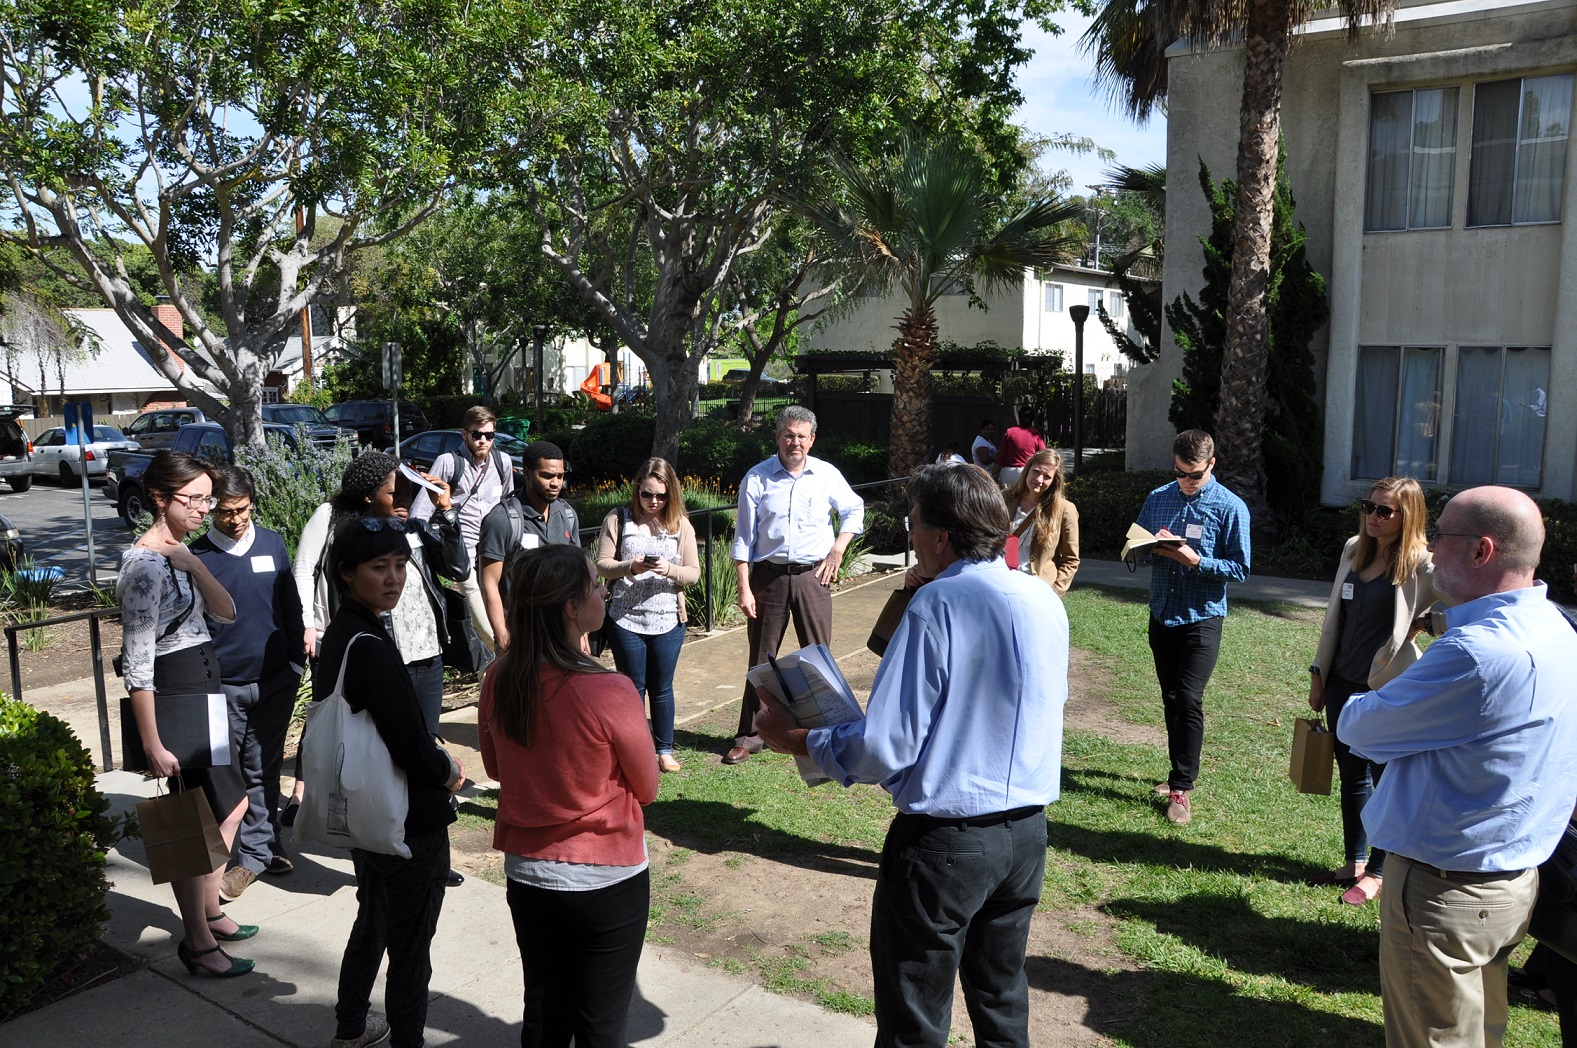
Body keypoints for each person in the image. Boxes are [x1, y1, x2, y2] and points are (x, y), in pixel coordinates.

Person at [756, 462, 1067, 1048]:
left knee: (914, 1020)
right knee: (1002, 1001)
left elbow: (884, 746)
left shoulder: (937, 605)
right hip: (1025, 834)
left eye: (914, 524)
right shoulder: (1042, 599)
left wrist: (796, 739)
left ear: (941, 535)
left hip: (945, 843)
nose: (910, 536)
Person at [1340, 485, 1577, 1048]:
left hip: (1444, 889)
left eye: (1441, 534)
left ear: (1482, 551)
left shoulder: (1476, 653)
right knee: (1477, 1031)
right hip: (1514, 879)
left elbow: (1358, 727)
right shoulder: (1556, 628)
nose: (1428, 547)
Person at [478, 545, 659, 1048]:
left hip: (528, 871)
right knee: (600, 1025)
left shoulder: (499, 677)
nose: (604, 589)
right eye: (594, 585)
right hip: (606, 875)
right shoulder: (610, 689)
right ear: (570, 607)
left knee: (544, 1012)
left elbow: (495, 767)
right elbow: (647, 787)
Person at [320, 516, 467, 1048]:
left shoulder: (345, 633)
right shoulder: (371, 645)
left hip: (368, 811)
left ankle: (350, 1028)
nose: (394, 578)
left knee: (373, 922)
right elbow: (410, 745)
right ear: (346, 573)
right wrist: (447, 770)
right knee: (409, 945)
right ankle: (406, 1037)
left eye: (401, 566)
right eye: (379, 567)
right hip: (406, 818)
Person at [117, 451, 252, 977]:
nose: (204, 508)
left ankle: (210, 910)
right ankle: (197, 940)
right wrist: (151, 743)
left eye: (206, 498)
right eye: (193, 499)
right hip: (175, 695)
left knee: (228, 802)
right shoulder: (143, 566)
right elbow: (138, 663)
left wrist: (195, 563)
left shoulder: (178, 555)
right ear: (159, 499)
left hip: (203, 687)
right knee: (193, 819)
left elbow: (227, 611)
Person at [1306, 477, 1442, 907]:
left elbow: (1465, 603)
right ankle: (1355, 860)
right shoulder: (1353, 548)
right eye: (1369, 506)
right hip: (1341, 681)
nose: (1373, 516)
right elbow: (1334, 620)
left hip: (1388, 689)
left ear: (1409, 516)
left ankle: (1380, 871)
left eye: (1385, 511)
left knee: (1388, 781)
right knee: (1352, 775)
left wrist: (1428, 624)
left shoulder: (1422, 563)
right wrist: (1319, 675)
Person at [191, 466, 307, 902]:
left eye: (241, 510)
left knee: (263, 768)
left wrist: (296, 663)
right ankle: (243, 852)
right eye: (224, 512)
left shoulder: (273, 543)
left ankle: (255, 855)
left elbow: (289, 607)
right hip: (223, 687)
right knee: (229, 774)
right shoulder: (197, 555)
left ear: (252, 503)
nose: (235, 520)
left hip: (276, 681)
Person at [727, 405, 863, 765]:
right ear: (777, 437)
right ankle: (750, 735)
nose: (795, 442)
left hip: (812, 577)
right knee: (760, 660)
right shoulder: (756, 478)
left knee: (819, 658)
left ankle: (827, 734)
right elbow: (743, 539)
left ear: (812, 439)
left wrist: (837, 550)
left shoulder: (826, 475)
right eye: (789, 435)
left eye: (802, 436)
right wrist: (744, 587)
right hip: (768, 578)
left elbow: (854, 509)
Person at [1135, 429, 1250, 826]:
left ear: (1211, 465)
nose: (1186, 480)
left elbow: (1240, 568)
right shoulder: (1158, 498)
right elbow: (1139, 544)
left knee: (1188, 697)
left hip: (1201, 617)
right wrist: (1149, 547)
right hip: (1162, 612)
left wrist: (1196, 561)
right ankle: (1175, 776)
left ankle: (1183, 787)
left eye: (1194, 474)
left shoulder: (1230, 507)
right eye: (1181, 472)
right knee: (1171, 698)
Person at [595, 458, 700, 773]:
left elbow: (693, 574)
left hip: (668, 617)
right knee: (632, 686)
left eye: (661, 496)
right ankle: (635, 749)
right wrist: (630, 566)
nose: (654, 502)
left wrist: (668, 569)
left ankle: (664, 749)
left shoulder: (680, 523)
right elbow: (601, 564)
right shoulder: (617, 519)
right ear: (636, 490)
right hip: (625, 616)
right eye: (647, 495)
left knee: (662, 686)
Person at [410, 405, 514, 653]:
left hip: (496, 558)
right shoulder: (448, 463)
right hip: (464, 558)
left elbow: (510, 508)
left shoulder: (503, 462)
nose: (483, 441)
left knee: (504, 629)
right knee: (494, 635)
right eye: (477, 434)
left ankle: (490, 685)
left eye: (489, 435)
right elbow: (419, 515)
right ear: (464, 434)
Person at [478, 441, 580, 651]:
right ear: (527, 473)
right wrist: (503, 636)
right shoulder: (502, 519)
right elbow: (489, 583)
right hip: (521, 638)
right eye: (547, 476)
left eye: (560, 476)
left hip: (564, 636)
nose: (556, 483)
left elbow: (578, 576)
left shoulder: (568, 515)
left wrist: (581, 631)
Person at [1002, 448, 1080, 595]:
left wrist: (1054, 591)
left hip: (1038, 590)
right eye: (1036, 471)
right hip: (1004, 584)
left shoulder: (1064, 509)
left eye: (1047, 477)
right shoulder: (1005, 499)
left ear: (1054, 481)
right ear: (1027, 469)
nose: (1039, 480)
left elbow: (1071, 560)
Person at [992, 405, 1045, 488]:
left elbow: (1001, 456)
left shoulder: (1010, 432)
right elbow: (1043, 454)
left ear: (1019, 417)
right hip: (1027, 472)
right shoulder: (1035, 434)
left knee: (1007, 499)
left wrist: (994, 474)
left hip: (1008, 473)